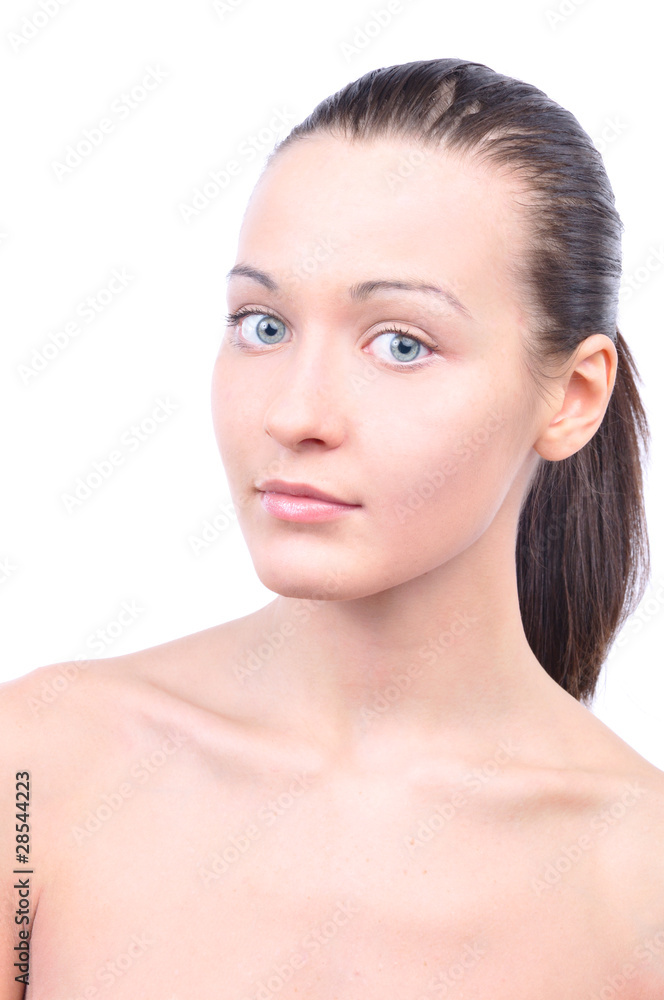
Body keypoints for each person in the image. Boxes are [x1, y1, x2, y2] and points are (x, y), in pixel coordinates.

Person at [2, 56, 663, 998]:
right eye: (263, 325)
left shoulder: (640, 886)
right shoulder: (35, 771)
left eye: (401, 343)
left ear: (573, 396)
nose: (295, 413)